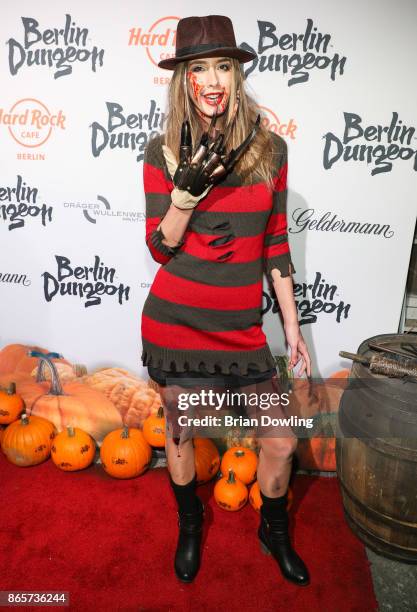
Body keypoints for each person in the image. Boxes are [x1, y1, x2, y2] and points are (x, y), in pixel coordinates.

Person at [141, 15, 312, 586]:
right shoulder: (160, 151)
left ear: (237, 76)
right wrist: (184, 196)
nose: (212, 80)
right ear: (182, 80)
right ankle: (191, 524)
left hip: (240, 331)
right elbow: (160, 248)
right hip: (176, 326)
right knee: (183, 433)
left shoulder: (271, 151)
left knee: (281, 440)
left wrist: (292, 333)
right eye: (198, 69)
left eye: (223, 67)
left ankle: (275, 528)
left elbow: (276, 244)